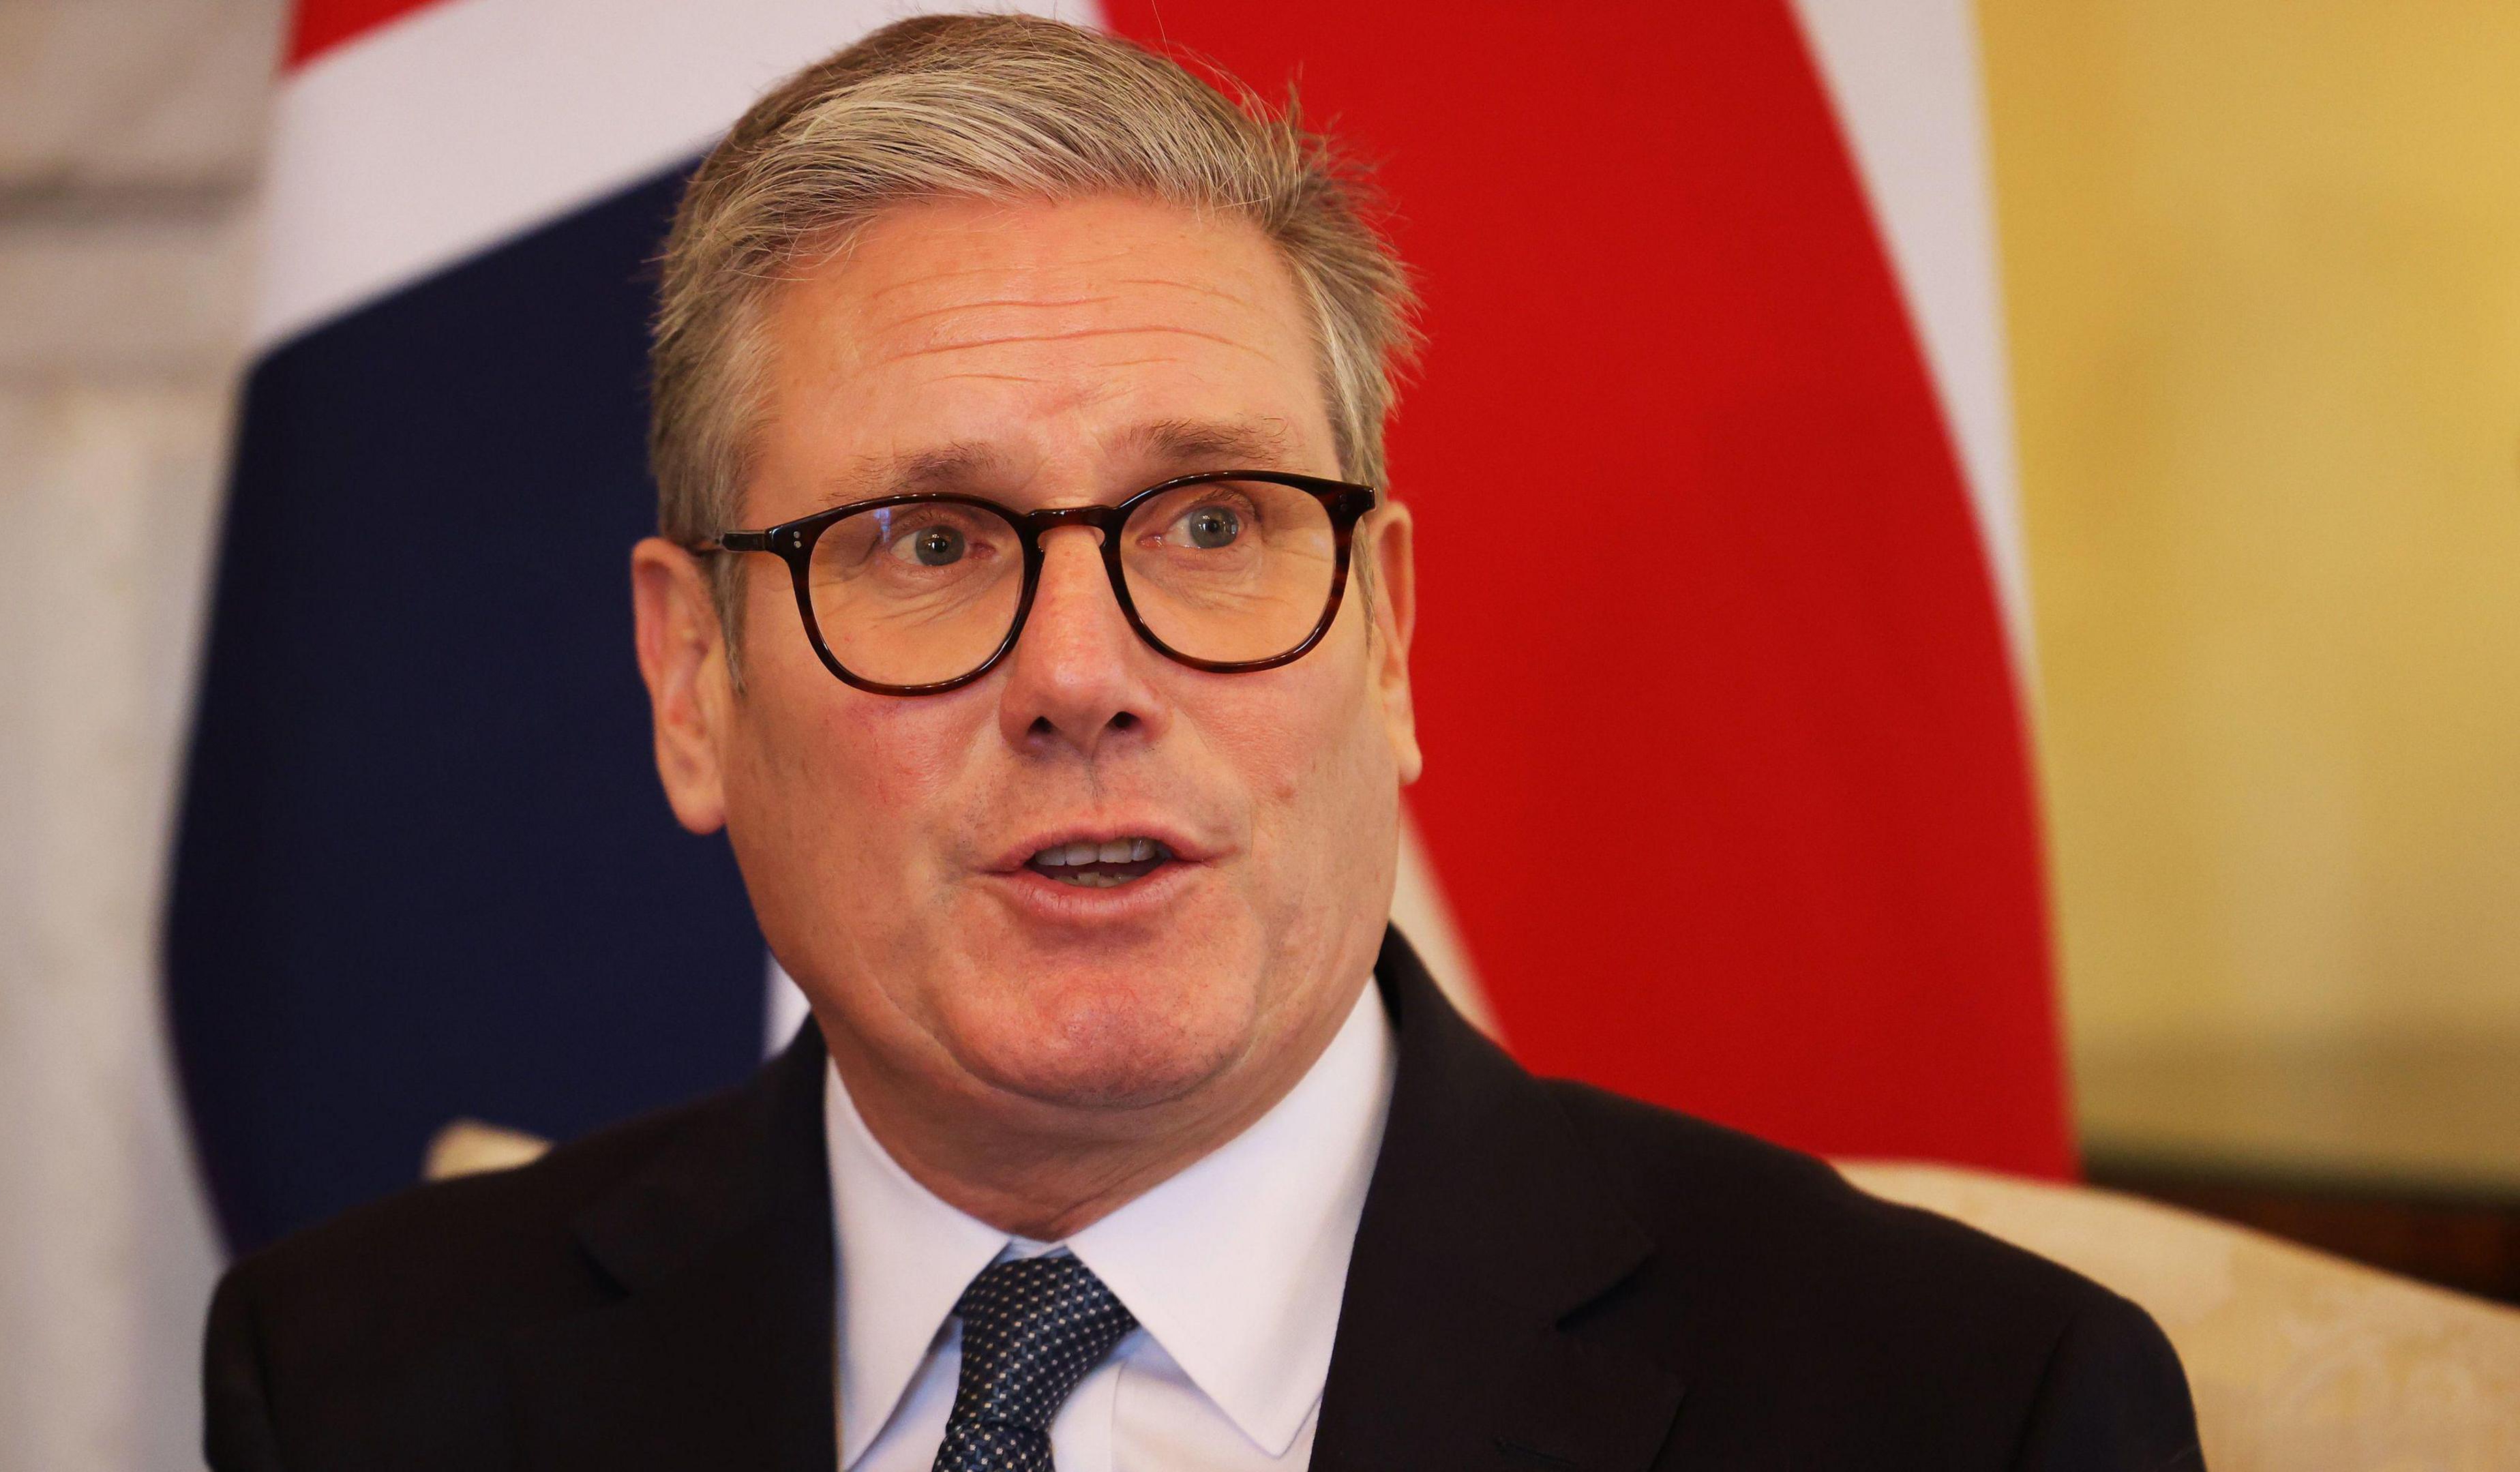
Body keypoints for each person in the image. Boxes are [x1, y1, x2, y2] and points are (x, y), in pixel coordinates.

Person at [201, 15, 2204, 1471]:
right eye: (926, 540)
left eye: (1216, 523)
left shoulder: (1959, 1416)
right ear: (691, 683)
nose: (1084, 672)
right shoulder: (370, 1386)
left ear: (1390, 636)